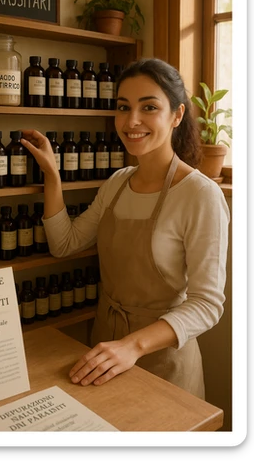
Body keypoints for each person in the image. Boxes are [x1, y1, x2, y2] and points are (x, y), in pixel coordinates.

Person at [20, 57, 230, 399]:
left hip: (164, 361)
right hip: (103, 353)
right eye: (123, 107)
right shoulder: (116, 183)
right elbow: (64, 244)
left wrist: (132, 345)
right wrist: (52, 175)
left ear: (176, 115)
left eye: (149, 107)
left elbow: (207, 304)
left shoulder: (200, 194)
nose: (132, 121)